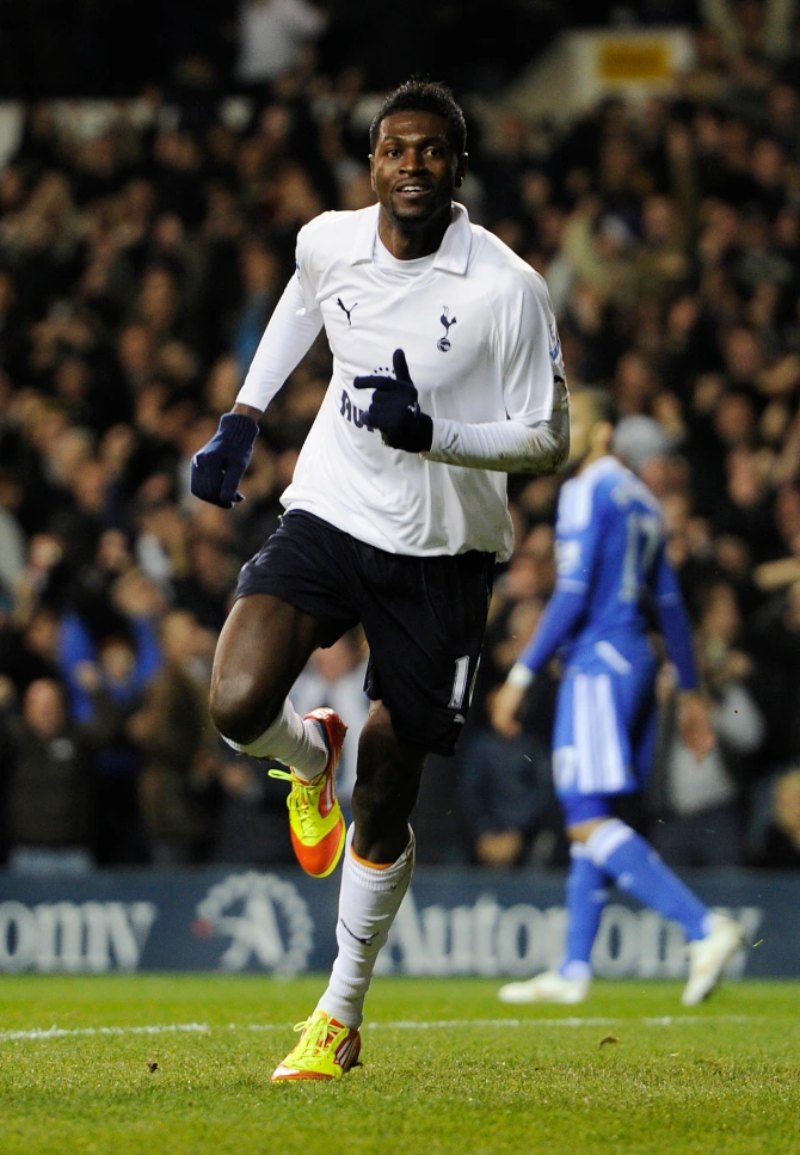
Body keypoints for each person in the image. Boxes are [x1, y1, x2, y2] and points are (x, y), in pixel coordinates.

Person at [189, 77, 570, 1081]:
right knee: (232, 700)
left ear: (458, 165)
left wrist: (432, 435)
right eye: (395, 150)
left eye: (432, 151)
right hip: (330, 509)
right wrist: (244, 414)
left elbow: (548, 439)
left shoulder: (505, 289)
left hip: (444, 557)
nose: (412, 165)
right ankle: (307, 757)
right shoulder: (329, 241)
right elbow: (301, 301)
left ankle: (340, 1012)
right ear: (373, 163)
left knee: (390, 777)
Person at [490, 387, 746, 1010]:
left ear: (602, 434)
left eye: (570, 422)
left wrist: (520, 675)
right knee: (596, 814)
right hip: (635, 666)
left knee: (584, 813)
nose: (561, 432)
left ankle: (703, 927)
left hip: (599, 667)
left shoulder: (588, 490)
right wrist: (688, 694)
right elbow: (671, 608)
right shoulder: (646, 505)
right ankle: (574, 967)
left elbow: (573, 593)